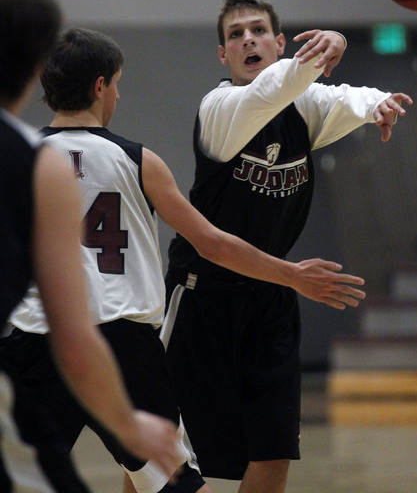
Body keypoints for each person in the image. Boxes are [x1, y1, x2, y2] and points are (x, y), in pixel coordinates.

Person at [5, 27, 367, 493]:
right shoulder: (139, 161)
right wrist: (291, 275)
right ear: (99, 87)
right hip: (125, 349)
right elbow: (212, 243)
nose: (117, 92)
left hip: (39, 341)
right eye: (115, 82)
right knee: (175, 486)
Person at [159, 0, 414, 493]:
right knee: (168, 461)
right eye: (236, 34)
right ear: (223, 55)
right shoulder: (220, 108)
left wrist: (376, 105)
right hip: (202, 298)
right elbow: (273, 90)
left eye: (258, 31)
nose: (247, 39)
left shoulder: (303, 104)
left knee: (273, 456)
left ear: (278, 43)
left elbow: (342, 97)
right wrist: (326, 49)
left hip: (270, 299)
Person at [0, 0, 183, 492]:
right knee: (173, 482)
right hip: (112, 335)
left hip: (30, 343)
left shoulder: (40, 156)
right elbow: (76, 341)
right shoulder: (36, 163)